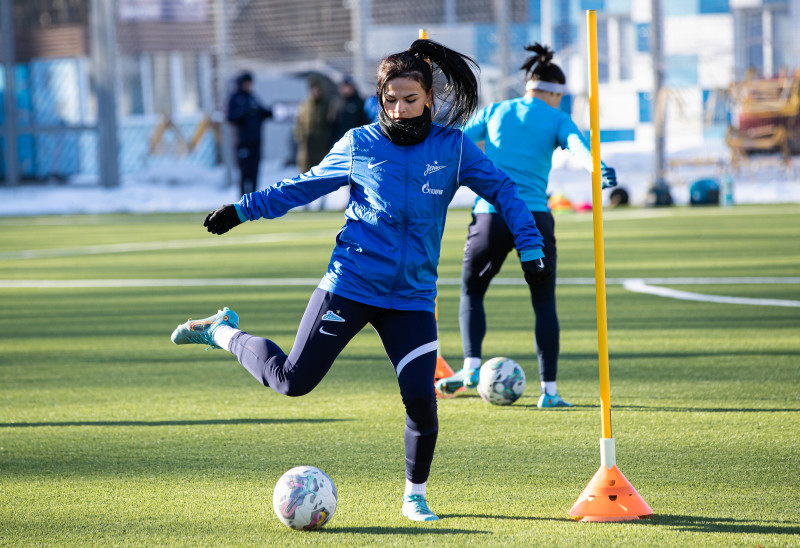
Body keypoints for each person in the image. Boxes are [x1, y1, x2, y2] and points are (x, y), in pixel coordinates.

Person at [170, 39, 552, 522]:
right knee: (292, 382)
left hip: (412, 299)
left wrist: (531, 244)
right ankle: (221, 331)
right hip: (348, 285)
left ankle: (415, 496)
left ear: (429, 97)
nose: (398, 109)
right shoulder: (359, 144)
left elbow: (503, 189)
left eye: (410, 100)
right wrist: (241, 209)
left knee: (420, 397)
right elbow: (300, 187)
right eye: (389, 100)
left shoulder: (453, 149)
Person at [435, 43, 618, 408]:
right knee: (543, 302)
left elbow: (453, 141)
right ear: (554, 94)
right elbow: (581, 148)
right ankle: (548, 392)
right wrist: (597, 169)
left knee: (473, 291)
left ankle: (471, 368)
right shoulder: (556, 118)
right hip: (534, 217)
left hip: (490, 214)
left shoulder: (497, 110)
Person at [226, 71, 273, 195]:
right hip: (243, 143)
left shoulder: (253, 97)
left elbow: (262, 112)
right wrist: (245, 112)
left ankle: (252, 200)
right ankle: (242, 201)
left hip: (255, 142)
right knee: (244, 173)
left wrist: (269, 113)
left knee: (254, 172)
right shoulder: (235, 98)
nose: (249, 86)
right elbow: (230, 117)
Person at [293, 76, 332, 173]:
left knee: (321, 176)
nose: (315, 92)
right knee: (304, 177)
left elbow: (332, 124)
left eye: (317, 89)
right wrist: (301, 138)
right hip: (307, 150)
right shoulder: (304, 106)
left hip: (322, 149)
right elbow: (298, 125)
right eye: (313, 89)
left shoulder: (327, 105)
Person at [330, 75, 371, 144]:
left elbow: (364, 123)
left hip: (355, 141)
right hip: (339, 141)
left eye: (347, 86)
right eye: (343, 86)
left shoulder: (359, 102)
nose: (345, 89)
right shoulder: (337, 103)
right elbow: (333, 124)